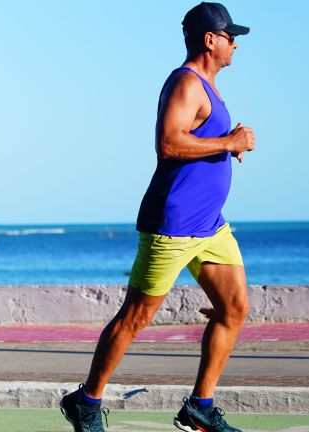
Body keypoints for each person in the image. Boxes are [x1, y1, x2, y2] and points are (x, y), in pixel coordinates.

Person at [59, 3, 254, 432]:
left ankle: (200, 405)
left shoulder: (210, 87)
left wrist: (227, 144)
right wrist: (227, 142)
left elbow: (198, 140)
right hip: (174, 224)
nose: (235, 44)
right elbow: (169, 144)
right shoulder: (186, 83)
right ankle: (86, 401)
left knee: (234, 306)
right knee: (135, 317)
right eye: (229, 36)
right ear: (210, 40)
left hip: (211, 226)